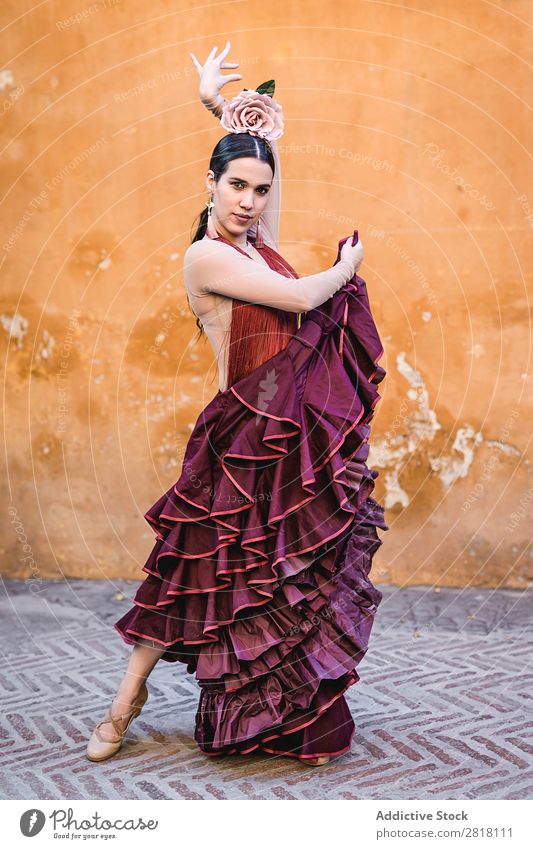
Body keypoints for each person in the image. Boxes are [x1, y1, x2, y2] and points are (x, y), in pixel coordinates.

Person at [86, 42, 388, 767]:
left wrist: (237, 116)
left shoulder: (257, 244)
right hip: (238, 432)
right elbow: (300, 296)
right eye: (237, 185)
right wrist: (344, 267)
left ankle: (274, 715)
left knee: (275, 581)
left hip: (284, 437)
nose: (250, 200)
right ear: (211, 184)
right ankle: (124, 703)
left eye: (259, 188)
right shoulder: (206, 257)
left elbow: (271, 195)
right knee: (191, 568)